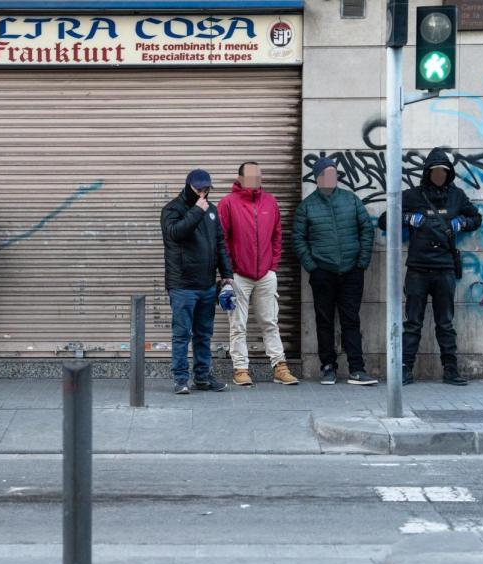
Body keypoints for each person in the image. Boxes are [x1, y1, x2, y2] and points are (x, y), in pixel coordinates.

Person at [379, 148, 483, 386]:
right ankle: (405, 369)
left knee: (445, 323)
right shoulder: (412, 196)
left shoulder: (457, 196)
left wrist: (462, 222)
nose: (439, 176)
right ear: (427, 173)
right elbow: (384, 220)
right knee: (412, 323)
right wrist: (407, 218)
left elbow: (477, 218)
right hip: (418, 269)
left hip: (445, 269)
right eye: (435, 172)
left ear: (449, 174)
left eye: (443, 172)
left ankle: (450, 369)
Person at [293, 156, 377, 386]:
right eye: (326, 174)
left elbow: (366, 230)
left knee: (351, 320)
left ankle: (357, 369)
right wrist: (312, 267)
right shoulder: (307, 206)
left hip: (351, 272)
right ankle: (328, 367)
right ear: (317, 178)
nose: (331, 177)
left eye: (334, 173)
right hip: (323, 273)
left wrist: (361, 263)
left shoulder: (351, 200)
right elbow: (298, 239)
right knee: (324, 321)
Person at [217, 162, 298, 386]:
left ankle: (279, 367)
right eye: (251, 176)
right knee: (238, 325)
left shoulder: (270, 202)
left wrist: (272, 266)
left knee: (270, 322)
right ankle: (240, 369)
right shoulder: (228, 203)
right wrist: (228, 272)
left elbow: (277, 236)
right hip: (238, 275)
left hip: (265, 274)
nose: (256, 179)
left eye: (259, 175)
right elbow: (221, 240)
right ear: (240, 178)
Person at [160, 169, 234, 395]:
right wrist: (196, 211)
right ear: (188, 186)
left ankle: (202, 377)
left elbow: (220, 243)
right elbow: (175, 233)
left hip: (207, 284)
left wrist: (227, 274)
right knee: (182, 335)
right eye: (198, 189)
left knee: (204, 334)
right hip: (182, 285)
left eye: (206, 189)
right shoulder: (172, 209)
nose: (203, 193)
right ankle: (181, 379)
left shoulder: (212, 210)